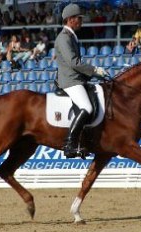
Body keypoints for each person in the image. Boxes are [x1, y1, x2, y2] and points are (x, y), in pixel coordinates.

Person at [54, 3, 109, 158]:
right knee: (87, 107)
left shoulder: (71, 36)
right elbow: (73, 62)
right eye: (79, 18)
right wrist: (94, 71)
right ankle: (69, 145)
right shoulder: (64, 37)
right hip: (70, 80)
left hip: (77, 78)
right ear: (70, 19)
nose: (81, 21)